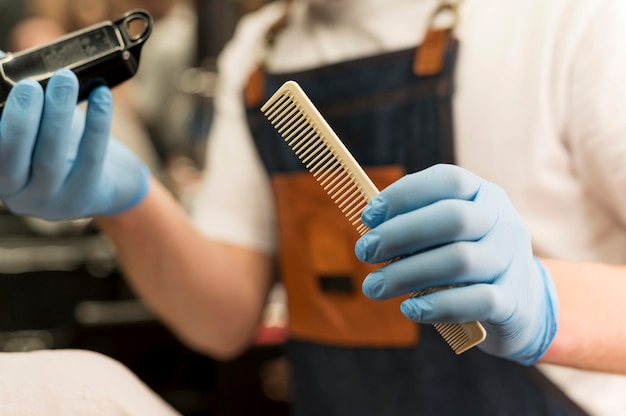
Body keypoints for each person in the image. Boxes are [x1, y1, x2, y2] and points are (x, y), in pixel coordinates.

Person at [1, 0, 626, 415]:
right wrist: (129, 199)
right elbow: (222, 319)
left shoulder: (572, 21)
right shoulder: (263, 48)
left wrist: (545, 302)